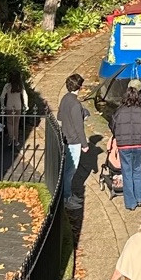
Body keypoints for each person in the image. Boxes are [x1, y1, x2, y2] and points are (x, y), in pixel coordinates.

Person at [111, 84, 141, 210]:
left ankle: (130, 203)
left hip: (124, 145)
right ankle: (140, 198)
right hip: (139, 144)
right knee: (138, 171)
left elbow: (112, 126)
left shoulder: (119, 111)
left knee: (126, 173)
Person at [57, 73, 89, 203]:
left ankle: (67, 194)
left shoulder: (65, 98)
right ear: (79, 87)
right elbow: (79, 127)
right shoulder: (76, 104)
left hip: (65, 136)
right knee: (70, 171)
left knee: (66, 169)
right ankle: (67, 198)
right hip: (74, 140)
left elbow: (59, 117)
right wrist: (85, 144)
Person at [0, 69, 28, 150]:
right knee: (16, 123)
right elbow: (25, 95)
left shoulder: (7, 86)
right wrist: (26, 105)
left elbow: (2, 97)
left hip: (9, 106)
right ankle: (16, 140)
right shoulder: (20, 86)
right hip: (18, 106)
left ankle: (10, 139)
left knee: (9, 123)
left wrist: (2, 106)